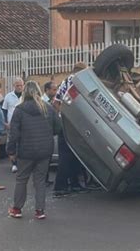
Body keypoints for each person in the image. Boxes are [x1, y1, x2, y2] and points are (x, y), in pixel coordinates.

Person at [7, 81, 60, 219]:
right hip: (44, 150)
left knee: (21, 179)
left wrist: (11, 151)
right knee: (40, 181)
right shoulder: (48, 108)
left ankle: (17, 209)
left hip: (26, 150)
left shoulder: (19, 110)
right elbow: (58, 128)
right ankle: (40, 210)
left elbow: (14, 134)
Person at [53, 63, 90, 197]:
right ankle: (61, 186)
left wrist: (63, 114)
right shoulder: (76, 82)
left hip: (66, 123)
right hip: (71, 125)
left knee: (71, 156)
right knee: (68, 156)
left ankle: (72, 184)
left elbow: (56, 102)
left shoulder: (65, 81)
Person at [2, 78, 24, 173]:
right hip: (11, 125)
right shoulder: (8, 96)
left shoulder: (25, 96)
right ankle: (14, 164)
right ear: (14, 86)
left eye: (21, 85)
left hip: (23, 124)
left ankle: (22, 163)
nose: (19, 87)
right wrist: (5, 123)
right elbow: (4, 110)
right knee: (11, 144)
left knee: (22, 144)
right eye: (17, 85)